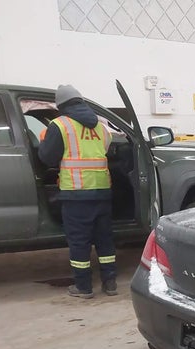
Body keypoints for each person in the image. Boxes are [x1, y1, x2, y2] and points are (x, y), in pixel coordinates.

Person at [39, 84, 117, 298]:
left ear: (61, 106)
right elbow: (105, 149)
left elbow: (47, 157)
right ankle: (110, 283)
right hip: (102, 190)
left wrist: (44, 140)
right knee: (104, 239)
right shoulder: (101, 126)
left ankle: (83, 287)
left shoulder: (60, 125)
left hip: (76, 193)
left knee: (79, 241)